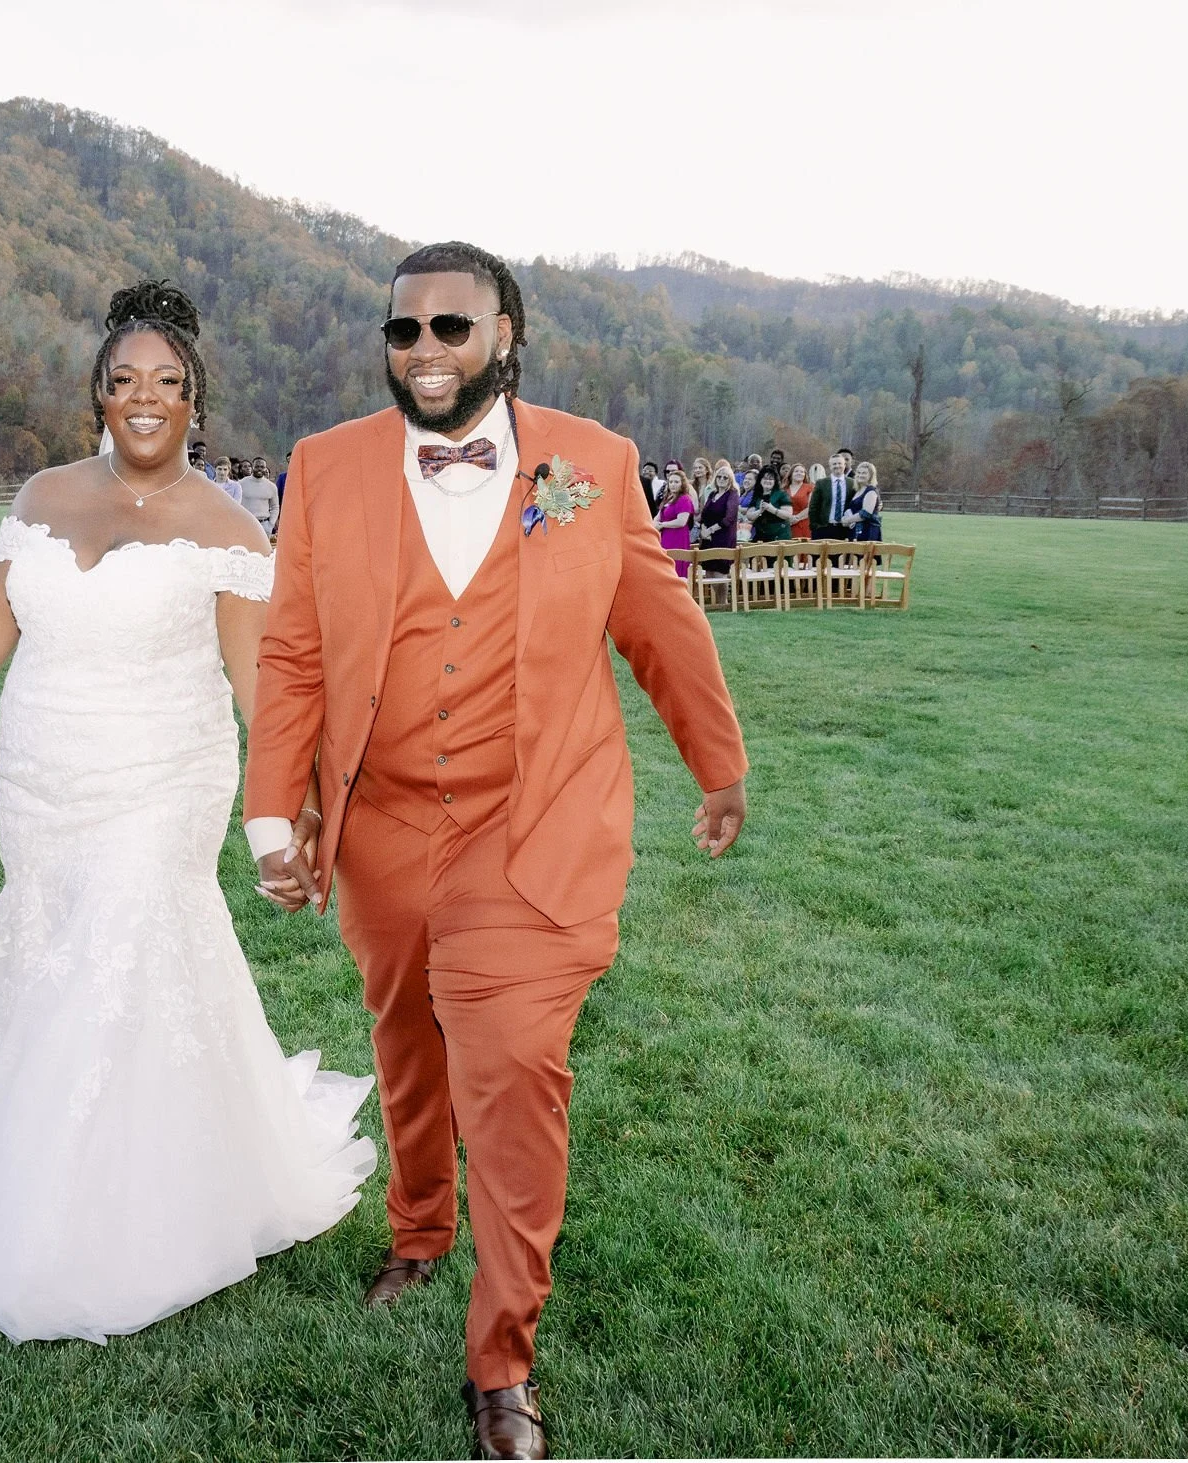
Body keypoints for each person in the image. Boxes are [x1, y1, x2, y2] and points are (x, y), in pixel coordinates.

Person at [246, 241, 748, 1462]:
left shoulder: (590, 462)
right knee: (404, 1031)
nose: (423, 350)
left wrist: (717, 761)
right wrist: (270, 812)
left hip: (528, 824)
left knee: (513, 1068)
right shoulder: (324, 466)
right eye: (402, 329)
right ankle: (419, 1225)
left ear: (504, 335)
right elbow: (292, 651)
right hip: (377, 823)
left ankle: (502, 1358)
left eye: (449, 327)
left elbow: (656, 619)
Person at [0, 279, 375, 1347]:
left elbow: (259, 687)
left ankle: (105, 1227)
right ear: (97, 393)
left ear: (193, 402)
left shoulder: (225, 527)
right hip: (40, 779)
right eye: (125, 380)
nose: (145, 398)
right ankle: (38, 1160)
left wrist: (295, 812)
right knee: (50, 950)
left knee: (120, 953)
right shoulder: (41, 496)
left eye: (166, 383)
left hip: (160, 782)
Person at [697, 461, 741, 567]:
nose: (721, 479)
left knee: (720, 572)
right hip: (707, 539)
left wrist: (710, 530)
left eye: (725, 478)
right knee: (708, 571)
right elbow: (704, 514)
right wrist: (703, 530)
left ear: (730, 480)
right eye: (719, 477)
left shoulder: (732, 494)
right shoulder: (712, 494)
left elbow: (729, 518)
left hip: (723, 538)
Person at [656, 465, 696, 575]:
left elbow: (681, 521)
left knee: (676, 568)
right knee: (664, 568)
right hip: (665, 537)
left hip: (678, 537)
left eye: (676, 482)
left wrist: (663, 525)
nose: (673, 484)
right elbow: (658, 517)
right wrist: (654, 524)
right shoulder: (668, 498)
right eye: (671, 482)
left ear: (682, 484)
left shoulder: (684, 499)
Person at [810, 452, 853, 539]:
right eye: (834, 464)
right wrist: (815, 526)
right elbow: (813, 506)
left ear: (844, 465)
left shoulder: (852, 483)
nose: (837, 466)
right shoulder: (821, 483)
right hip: (824, 528)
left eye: (839, 463)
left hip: (845, 528)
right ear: (830, 466)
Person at [240, 455, 281, 536]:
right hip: (246, 523)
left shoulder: (271, 486)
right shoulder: (241, 484)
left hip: (264, 525)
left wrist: (271, 524)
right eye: (257, 466)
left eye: (262, 467)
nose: (259, 469)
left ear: (265, 468)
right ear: (252, 467)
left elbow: (275, 507)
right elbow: (236, 504)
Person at [750, 466, 793, 542]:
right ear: (760, 480)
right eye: (765, 478)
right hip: (761, 535)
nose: (767, 481)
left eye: (770, 479)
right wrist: (759, 511)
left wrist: (772, 509)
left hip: (779, 536)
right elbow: (749, 516)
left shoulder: (782, 494)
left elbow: (788, 515)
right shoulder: (757, 495)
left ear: (775, 481)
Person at [846, 460, 883, 540]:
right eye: (859, 473)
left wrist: (847, 520)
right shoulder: (857, 491)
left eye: (864, 473)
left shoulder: (871, 491)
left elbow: (865, 514)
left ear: (871, 476)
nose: (860, 475)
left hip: (867, 532)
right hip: (855, 531)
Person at [786, 463, 813, 540]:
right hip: (786, 524)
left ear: (805, 475)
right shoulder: (784, 489)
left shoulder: (810, 488)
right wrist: (788, 520)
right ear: (791, 474)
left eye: (802, 472)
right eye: (796, 471)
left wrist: (796, 518)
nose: (799, 473)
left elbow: (811, 507)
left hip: (803, 522)